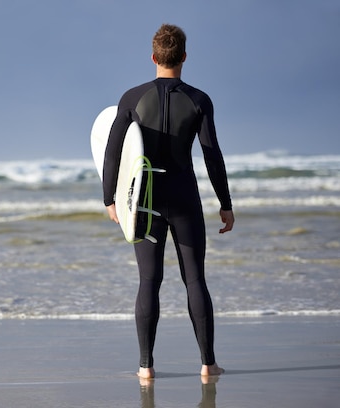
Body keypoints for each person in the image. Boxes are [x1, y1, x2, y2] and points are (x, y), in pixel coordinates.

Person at [102, 24, 234, 379]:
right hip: (185, 199)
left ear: (153, 57)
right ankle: (208, 364)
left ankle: (146, 367)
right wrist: (225, 203)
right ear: (184, 57)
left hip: (145, 202)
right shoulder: (199, 100)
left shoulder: (131, 98)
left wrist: (110, 200)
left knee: (148, 281)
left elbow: (113, 152)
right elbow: (212, 155)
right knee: (195, 281)